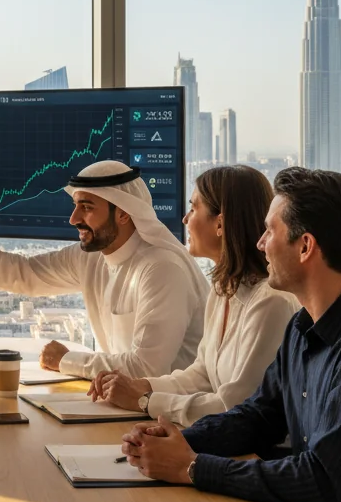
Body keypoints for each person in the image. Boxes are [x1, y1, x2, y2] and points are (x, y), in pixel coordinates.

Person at [120, 167, 341, 502]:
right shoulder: (303, 325)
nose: (259, 243)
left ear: (305, 246)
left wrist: (193, 467)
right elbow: (259, 415)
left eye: (270, 231)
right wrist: (174, 439)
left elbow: (323, 479)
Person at [0, 159, 208, 379]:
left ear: (125, 215)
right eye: (76, 206)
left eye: (87, 207)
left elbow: (147, 369)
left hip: (173, 423)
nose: (74, 218)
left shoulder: (162, 268)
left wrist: (67, 360)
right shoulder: (92, 257)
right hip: (126, 405)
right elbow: (25, 272)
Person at [88, 165, 299, 423]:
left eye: (193, 208)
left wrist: (144, 401)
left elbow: (234, 407)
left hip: (257, 455)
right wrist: (141, 386)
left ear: (220, 223)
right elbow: (202, 375)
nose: (185, 219)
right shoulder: (224, 291)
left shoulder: (271, 303)